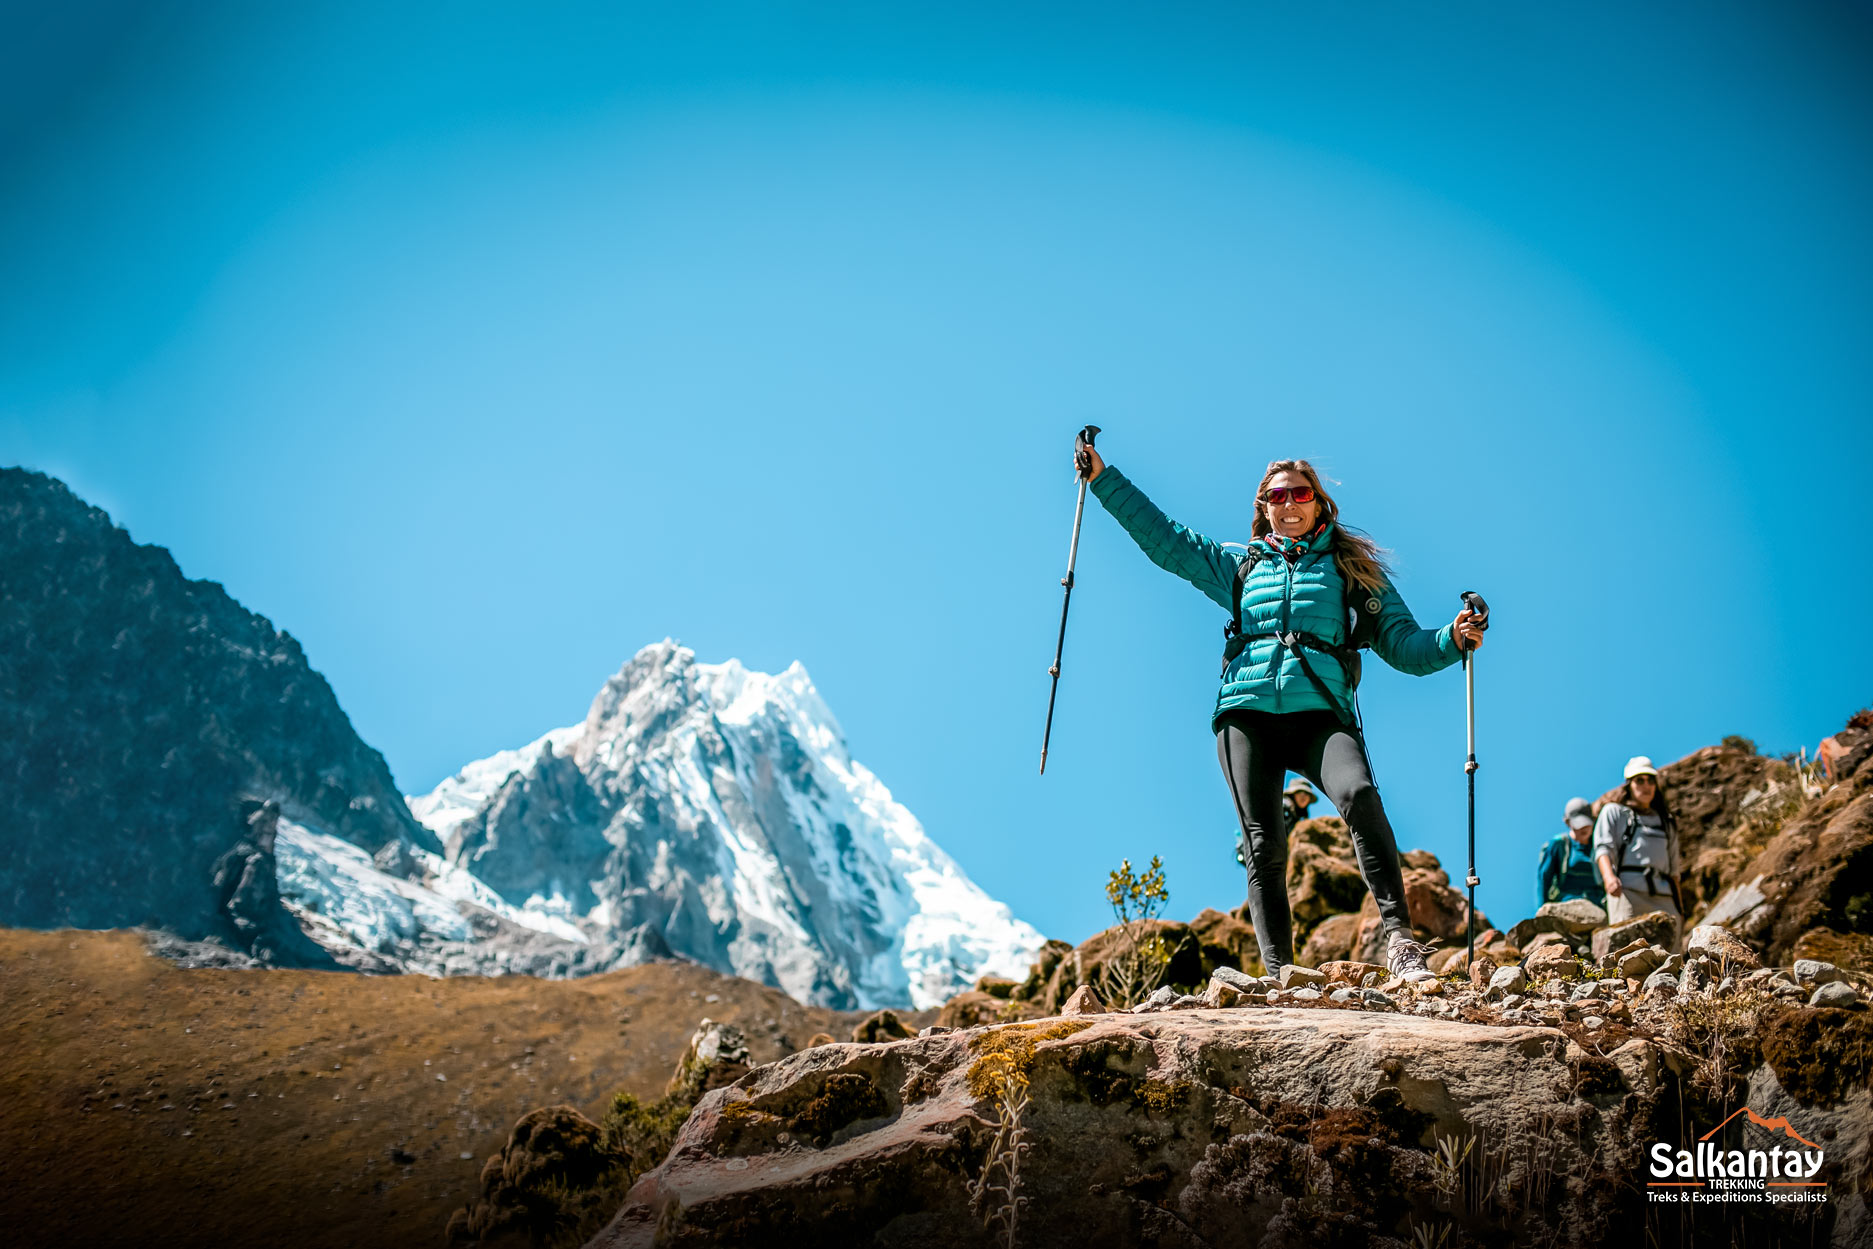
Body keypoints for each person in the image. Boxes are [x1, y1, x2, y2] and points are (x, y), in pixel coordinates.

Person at [1078, 447, 1484, 982]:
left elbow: (1406, 646)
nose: (1289, 503)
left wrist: (1452, 638)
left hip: (1322, 715)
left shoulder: (1351, 572)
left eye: (1300, 493)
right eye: (1277, 495)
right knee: (1262, 842)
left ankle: (1401, 943)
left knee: (1360, 795)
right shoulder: (1239, 566)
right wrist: (1103, 479)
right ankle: (1281, 976)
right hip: (1246, 715)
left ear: (1319, 504)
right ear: (1263, 507)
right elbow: (1166, 539)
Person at [1592, 757, 1682, 944]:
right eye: (1639, 780)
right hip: (1627, 893)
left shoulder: (1667, 822)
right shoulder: (1614, 812)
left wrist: (1680, 908)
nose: (1646, 786)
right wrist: (1609, 879)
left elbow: (1674, 871)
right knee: (1627, 952)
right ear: (1629, 785)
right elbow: (1603, 849)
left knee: (1671, 955)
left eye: (1650, 780)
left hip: (1664, 898)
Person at [1536, 797, 1605, 909]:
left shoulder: (1600, 846)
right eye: (1579, 824)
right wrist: (1541, 910)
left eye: (1587, 823)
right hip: (1567, 906)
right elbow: (1544, 879)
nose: (1584, 828)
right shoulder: (1559, 845)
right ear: (1568, 822)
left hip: (1598, 905)